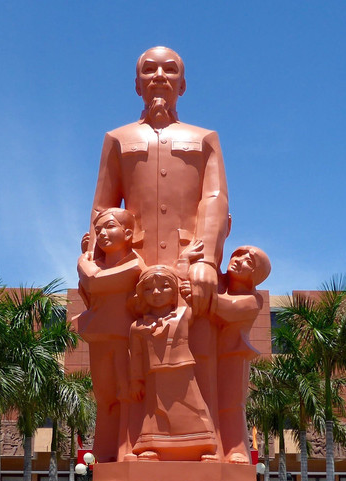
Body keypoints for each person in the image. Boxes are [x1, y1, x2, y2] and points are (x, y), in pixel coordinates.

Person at [90, 46, 229, 438]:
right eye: (149, 70)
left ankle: (207, 446)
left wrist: (206, 258)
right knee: (131, 359)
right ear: (137, 84)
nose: (159, 76)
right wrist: (98, 265)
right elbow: (102, 206)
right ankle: (128, 445)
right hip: (134, 269)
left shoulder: (204, 139)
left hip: (189, 263)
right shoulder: (117, 139)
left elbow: (215, 199)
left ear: (182, 84)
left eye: (170, 70)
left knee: (198, 350)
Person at [74, 207, 145, 462]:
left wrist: (84, 258)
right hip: (100, 336)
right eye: (98, 230)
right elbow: (90, 288)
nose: (103, 233)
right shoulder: (96, 264)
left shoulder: (136, 265)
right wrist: (88, 261)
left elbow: (94, 281)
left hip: (126, 337)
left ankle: (128, 448)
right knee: (104, 396)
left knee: (128, 393)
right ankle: (104, 453)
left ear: (128, 234)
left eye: (109, 227)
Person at [128, 266, 218, 462]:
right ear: (141, 294)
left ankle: (205, 447)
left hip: (183, 370)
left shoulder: (184, 314)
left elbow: (199, 301)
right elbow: (135, 356)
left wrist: (189, 280)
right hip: (155, 376)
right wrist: (136, 381)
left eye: (164, 287)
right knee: (155, 411)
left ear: (174, 292)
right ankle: (151, 446)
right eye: (149, 289)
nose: (156, 293)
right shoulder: (137, 327)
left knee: (194, 407)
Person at [213, 245, 271, 463]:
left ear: (255, 275)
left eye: (248, 261)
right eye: (236, 255)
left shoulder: (253, 300)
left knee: (231, 404)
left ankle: (236, 449)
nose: (237, 260)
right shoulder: (216, 282)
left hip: (233, 356)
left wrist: (201, 293)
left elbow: (226, 308)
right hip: (206, 354)